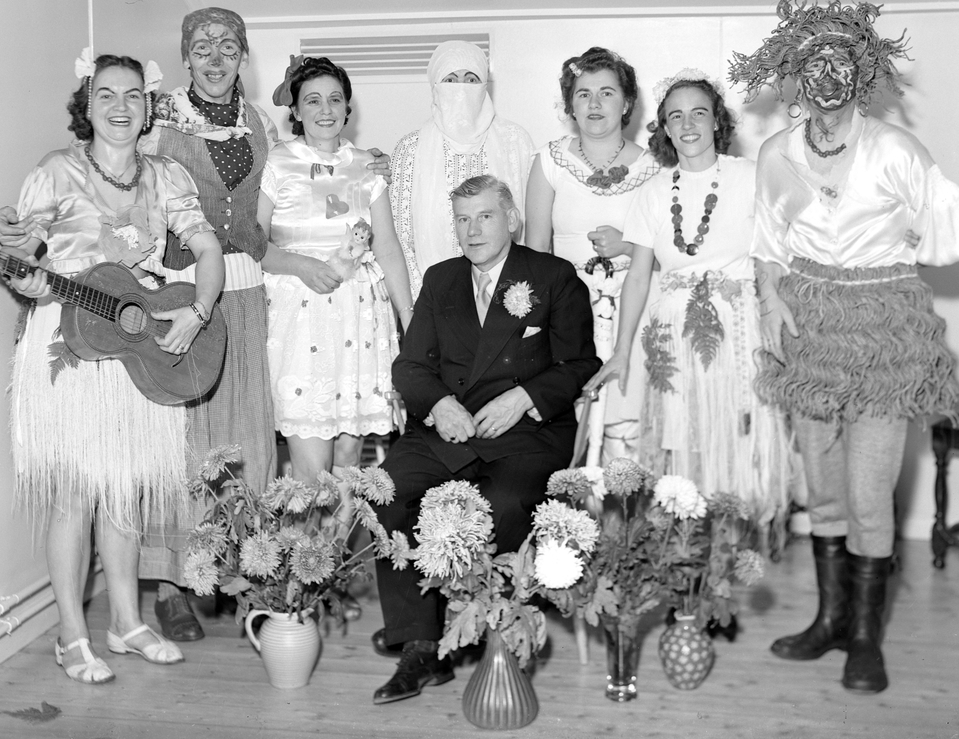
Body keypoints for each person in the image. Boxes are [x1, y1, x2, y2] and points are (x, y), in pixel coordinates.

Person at [729, 0, 959, 694]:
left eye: (841, 63)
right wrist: (771, 297)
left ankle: (867, 638)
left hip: (883, 330)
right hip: (808, 326)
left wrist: (897, 255)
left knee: (871, 492)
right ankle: (831, 620)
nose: (827, 77)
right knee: (823, 487)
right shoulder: (778, 153)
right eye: (814, 64)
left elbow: (946, 229)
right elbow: (766, 242)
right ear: (796, 73)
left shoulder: (897, 150)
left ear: (863, 72)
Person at [2, 53, 225, 684]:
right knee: (74, 493)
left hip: (138, 338)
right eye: (106, 94)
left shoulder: (167, 176)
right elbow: (24, 264)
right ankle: (71, 635)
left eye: (132, 95)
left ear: (148, 106)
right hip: (69, 338)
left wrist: (198, 311)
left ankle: (126, 621)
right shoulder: (55, 171)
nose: (120, 107)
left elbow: (207, 248)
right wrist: (25, 276)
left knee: (125, 485)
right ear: (88, 104)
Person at [371, 174, 600, 705]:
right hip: (449, 429)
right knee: (385, 491)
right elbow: (410, 366)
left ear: (512, 219)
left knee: (504, 501)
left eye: (485, 216)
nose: (472, 230)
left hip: (526, 433)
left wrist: (524, 397)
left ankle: (492, 625)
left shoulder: (553, 276)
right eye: (462, 219)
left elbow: (580, 363)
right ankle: (420, 646)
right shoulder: (442, 279)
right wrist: (438, 404)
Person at [588, 70, 794, 538]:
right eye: (675, 116)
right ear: (664, 127)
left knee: (737, 438)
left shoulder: (750, 176)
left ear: (717, 121)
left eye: (699, 113)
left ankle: (733, 547)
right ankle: (690, 549)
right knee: (683, 442)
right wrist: (621, 351)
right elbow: (638, 277)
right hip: (674, 334)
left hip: (738, 328)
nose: (687, 124)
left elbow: (773, 255)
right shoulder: (653, 191)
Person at [258, 56, 414, 485]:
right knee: (312, 468)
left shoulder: (367, 165)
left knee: (348, 463)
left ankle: (342, 534)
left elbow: (387, 247)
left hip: (359, 319)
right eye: (312, 100)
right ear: (295, 110)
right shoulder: (276, 162)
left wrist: (408, 316)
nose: (325, 110)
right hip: (299, 319)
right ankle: (308, 534)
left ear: (348, 108)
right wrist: (300, 265)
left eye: (334, 99)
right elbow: (254, 244)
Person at [525, 47, 661, 464]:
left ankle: (625, 498)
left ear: (627, 103)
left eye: (607, 92)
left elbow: (672, 256)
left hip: (636, 305)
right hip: (569, 308)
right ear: (570, 105)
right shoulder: (549, 161)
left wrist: (628, 246)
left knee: (627, 423)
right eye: (583, 94)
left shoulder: (656, 167)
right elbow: (535, 251)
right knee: (571, 420)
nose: (595, 103)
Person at [389, 40, 535, 299]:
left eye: (471, 79)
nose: (461, 89)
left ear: (484, 85)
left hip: (511, 295)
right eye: (450, 80)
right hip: (431, 297)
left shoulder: (515, 141)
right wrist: (421, 302)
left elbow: (532, 228)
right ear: (435, 86)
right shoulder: (411, 149)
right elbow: (399, 237)